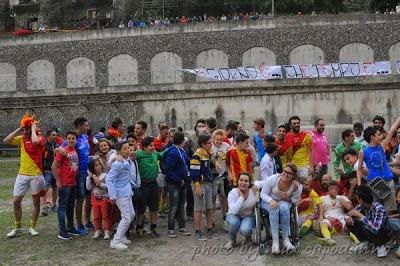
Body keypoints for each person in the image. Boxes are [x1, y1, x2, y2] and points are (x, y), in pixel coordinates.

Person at [5, 114, 46, 238]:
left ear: (32, 128)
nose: (25, 131)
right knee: (16, 201)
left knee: (36, 202)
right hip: (22, 175)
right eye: (24, 129)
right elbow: (6, 140)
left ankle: (32, 227)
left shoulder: (40, 138)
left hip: (36, 175)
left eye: (27, 129)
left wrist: (32, 127)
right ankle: (18, 228)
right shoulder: (21, 138)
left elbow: (35, 141)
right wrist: (20, 128)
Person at [357, 116, 400, 213]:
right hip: (374, 184)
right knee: (377, 209)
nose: (381, 137)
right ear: (372, 137)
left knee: (390, 210)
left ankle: (389, 227)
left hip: (388, 182)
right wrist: (359, 186)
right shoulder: (363, 152)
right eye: (378, 135)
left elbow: (393, 130)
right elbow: (359, 169)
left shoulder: (382, 146)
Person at [260, 163, 302, 253]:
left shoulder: (295, 186)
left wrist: (288, 199)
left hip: (284, 202)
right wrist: (270, 200)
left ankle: (286, 239)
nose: (285, 174)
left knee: (283, 207)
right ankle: (275, 242)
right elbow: (262, 194)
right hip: (267, 202)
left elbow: (296, 200)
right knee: (274, 208)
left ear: (293, 176)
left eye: (289, 173)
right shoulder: (273, 179)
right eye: (285, 171)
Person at [347, 185, 391, 258]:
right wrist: (349, 218)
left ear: (360, 199)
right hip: (371, 232)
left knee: (366, 225)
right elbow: (352, 214)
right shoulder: (361, 206)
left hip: (383, 235)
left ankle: (381, 245)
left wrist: (361, 216)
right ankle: (367, 242)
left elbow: (376, 229)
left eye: (357, 196)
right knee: (351, 223)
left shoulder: (378, 208)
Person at [106, 141, 135, 250]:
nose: (128, 150)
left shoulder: (126, 160)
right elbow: (109, 179)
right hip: (120, 194)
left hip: (127, 192)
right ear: (119, 151)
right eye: (125, 149)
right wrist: (112, 196)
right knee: (127, 217)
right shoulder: (117, 164)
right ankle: (115, 241)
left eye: (128, 148)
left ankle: (121, 236)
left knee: (131, 215)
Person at [163, 131, 192, 238]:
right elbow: (168, 169)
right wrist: (178, 180)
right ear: (181, 141)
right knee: (174, 206)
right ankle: (170, 229)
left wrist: (197, 160)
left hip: (183, 182)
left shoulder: (182, 151)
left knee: (181, 205)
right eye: (184, 140)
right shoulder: (173, 152)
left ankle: (182, 227)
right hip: (174, 183)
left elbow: (187, 161)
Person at [135, 136, 165, 238]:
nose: (153, 147)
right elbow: (130, 156)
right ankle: (139, 227)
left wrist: (170, 148)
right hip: (143, 185)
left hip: (153, 184)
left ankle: (154, 227)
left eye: (153, 145)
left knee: (154, 207)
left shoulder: (155, 154)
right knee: (141, 208)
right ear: (143, 147)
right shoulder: (138, 154)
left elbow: (161, 154)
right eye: (150, 146)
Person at [190, 134, 219, 241]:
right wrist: (197, 187)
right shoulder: (197, 155)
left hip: (208, 183)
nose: (211, 145)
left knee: (209, 207)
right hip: (200, 184)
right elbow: (194, 172)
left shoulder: (207, 154)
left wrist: (215, 163)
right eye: (209, 143)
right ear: (203, 144)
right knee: (198, 208)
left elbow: (207, 167)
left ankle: (210, 229)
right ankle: (198, 231)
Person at [52, 131, 79, 240]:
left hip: (73, 183)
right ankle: (62, 231)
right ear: (66, 139)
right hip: (65, 183)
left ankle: (70, 227)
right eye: (69, 138)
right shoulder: (62, 151)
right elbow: (54, 167)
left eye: (73, 138)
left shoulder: (73, 150)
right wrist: (58, 181)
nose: (71, 140)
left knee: (70, 206)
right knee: (62, 207)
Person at [225, 173, 262, 249]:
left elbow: (265, 182)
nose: (243, 183)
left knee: (245, 229)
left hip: (248, 216)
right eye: (241, 180)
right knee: (234, 222)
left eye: (246, 181)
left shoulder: (253, 190)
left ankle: (248, 238)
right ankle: (231, 240)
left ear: (249, 183)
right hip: (233, 215)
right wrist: (241, 198)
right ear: (237, 181)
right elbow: (234, 210)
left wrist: (278, 176)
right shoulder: (233, 193)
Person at [318, 181, 352, 246]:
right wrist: (321, 217)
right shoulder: (323, 198)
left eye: (335, 189)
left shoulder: (342, 197)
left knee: (350, 224)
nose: (333, 190)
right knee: (323, 223)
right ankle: (328, 239)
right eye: (331, 189)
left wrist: (337, 197)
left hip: (341, 217)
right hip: (329, 218)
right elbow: (321, 211)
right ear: (328, 189)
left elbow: (349, 207)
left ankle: (357, 241)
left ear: (338, 190)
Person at [86, 158, 112, 240]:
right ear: (92, 168)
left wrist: (100, 184)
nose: (99, 166)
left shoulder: (105, 176)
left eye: (99, 164)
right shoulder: (90, 177)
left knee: (105, 216)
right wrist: (89, 178)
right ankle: (98, 230)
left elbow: (109, 187)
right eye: (96, 165)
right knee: (96, 216)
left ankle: (107, 230)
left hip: (104, 199)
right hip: (94, 199)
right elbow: (88, 188)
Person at [211, 129, 230, 231]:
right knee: (213, 199)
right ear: (213, 139)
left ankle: (225, 220)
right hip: (213, 177)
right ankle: (211, 219)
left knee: (224, 199)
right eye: (217, 139)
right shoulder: (210, 148)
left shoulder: (226, 146)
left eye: (220, 139)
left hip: (224, 175)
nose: (219, 141)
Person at [286, 116, 313, 180]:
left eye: (298, 123)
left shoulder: (307, 135)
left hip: (304, 166)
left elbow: (311, 151)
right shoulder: (287, 136)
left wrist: (311, 166)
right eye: (294, 123)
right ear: (290, 125)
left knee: (305, 186)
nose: (297, 125)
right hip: (292, 166)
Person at [40, 128, 59, 216]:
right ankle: (44, 207)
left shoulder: (56, 144)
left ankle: (54, 205)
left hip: (56, 170)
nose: (55, 136)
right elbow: (42, 158)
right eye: (53, 135)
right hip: (47, 170)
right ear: (48, 136)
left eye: (56, 135)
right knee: (45, 188)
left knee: (55, 188)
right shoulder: (44, 145)